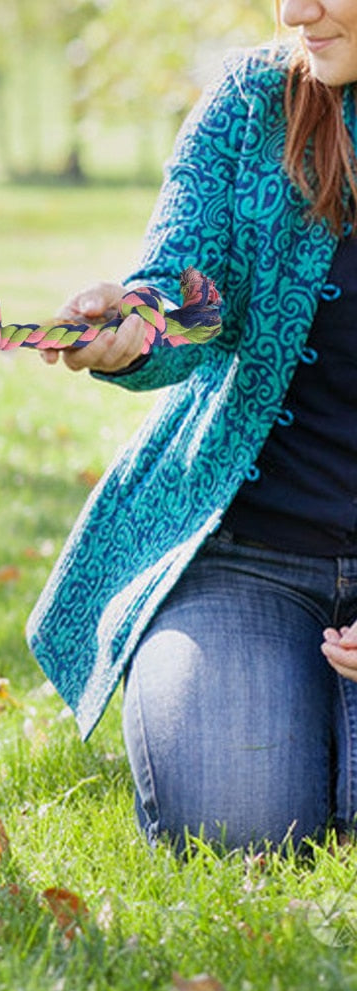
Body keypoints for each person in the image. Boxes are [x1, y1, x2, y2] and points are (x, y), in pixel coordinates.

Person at [26, 0, 357, 851]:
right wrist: (138, 324)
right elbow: (185, 279)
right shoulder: (254, 100)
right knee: (236, 829)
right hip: (249, 559)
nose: (294, 11)